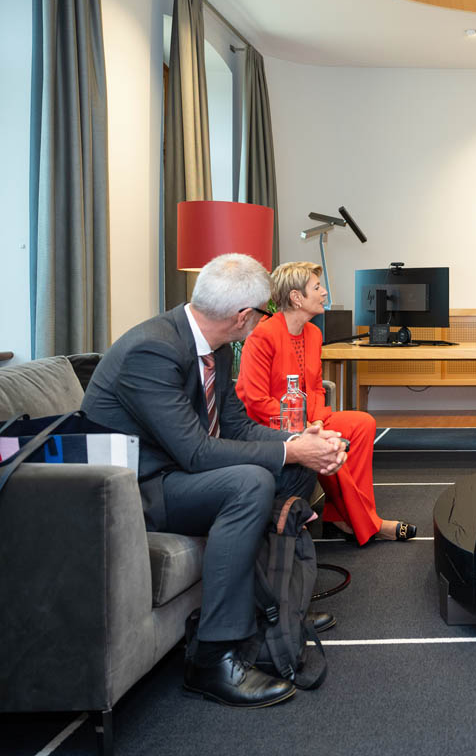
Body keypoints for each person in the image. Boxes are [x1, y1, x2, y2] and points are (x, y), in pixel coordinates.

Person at [82, 254, 348, 706]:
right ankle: (212, 657)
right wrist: (291, 449)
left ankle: (276, 610)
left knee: (291, 468)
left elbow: (237, 426)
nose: (264, 320)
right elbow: (196, 451)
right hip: (136, 491)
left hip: (175, 474)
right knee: (250, 482)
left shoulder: (215, 349)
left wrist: (300, 441)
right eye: (262, 311)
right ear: (243, 316)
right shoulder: (152, 351)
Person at [236, 261, 415, 545]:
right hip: (272, 426)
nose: (324, 292)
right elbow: (254, 399)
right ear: (296, 297)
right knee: (328, 443)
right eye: (317, 287)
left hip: (309, 419)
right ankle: (369, 523)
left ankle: (338, 517)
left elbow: (316, 387)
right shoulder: (262, 336)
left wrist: (317, 420)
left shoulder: (313, 334)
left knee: (362, 424)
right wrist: (305, 426)